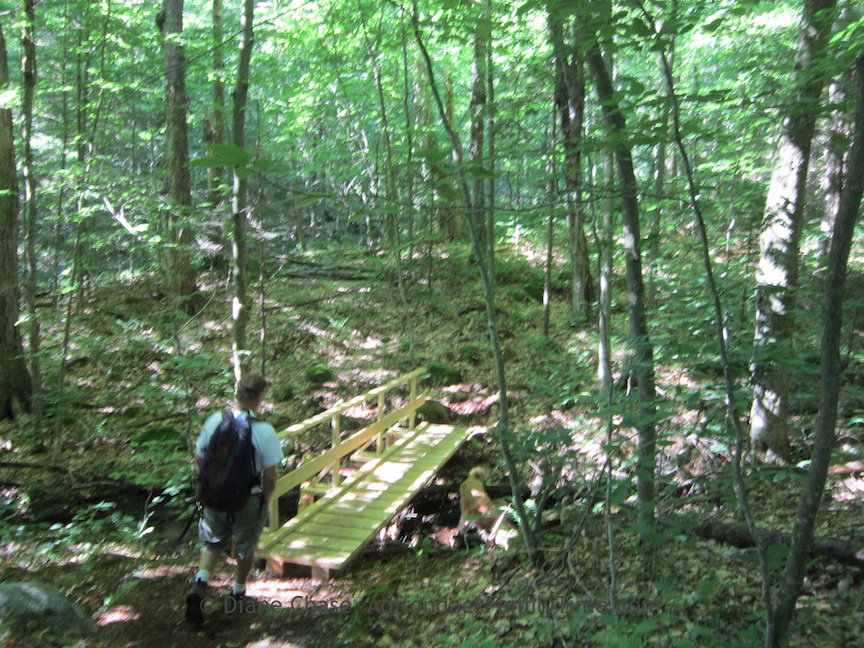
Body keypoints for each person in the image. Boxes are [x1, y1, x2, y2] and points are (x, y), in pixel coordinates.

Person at [185, 373, 283, 625]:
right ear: (259, 397)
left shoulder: (215, 420)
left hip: (214, 498)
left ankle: (200, 582)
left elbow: (199, 459)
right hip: (246, 500)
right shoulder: (264, 430)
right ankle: (238, 591)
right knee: (245, 546)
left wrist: (213, 483)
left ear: (237, 394)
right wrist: (265, 500)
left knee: (212, 543)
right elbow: (270, 476)